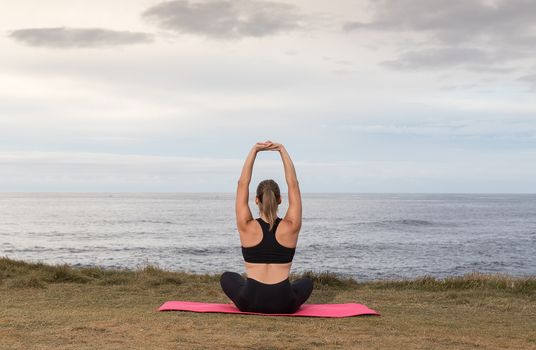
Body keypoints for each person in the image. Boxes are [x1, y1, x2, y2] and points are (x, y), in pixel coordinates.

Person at [220, 140, 313, 314]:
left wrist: (254, 150)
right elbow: (293, 184)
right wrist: (282, 149)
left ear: (256, 200)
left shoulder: (247, 226)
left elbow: (242, 184)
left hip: (249, 301)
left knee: (228, 277)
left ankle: (249, 295)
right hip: (285, 303)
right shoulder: (291, 226)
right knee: (307, 282)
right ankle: (281, 292)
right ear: (279, 199)